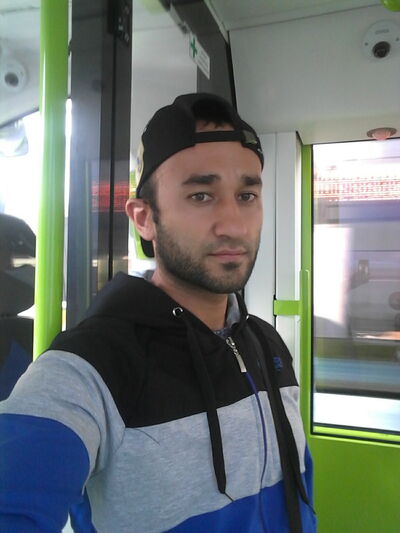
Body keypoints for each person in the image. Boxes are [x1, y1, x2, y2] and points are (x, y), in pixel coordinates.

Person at [0, 93, 316, 533]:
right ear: (144, 219)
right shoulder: (91, 368)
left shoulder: (267, 343)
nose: (234, 224)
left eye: (247, 195)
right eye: (201, 195)